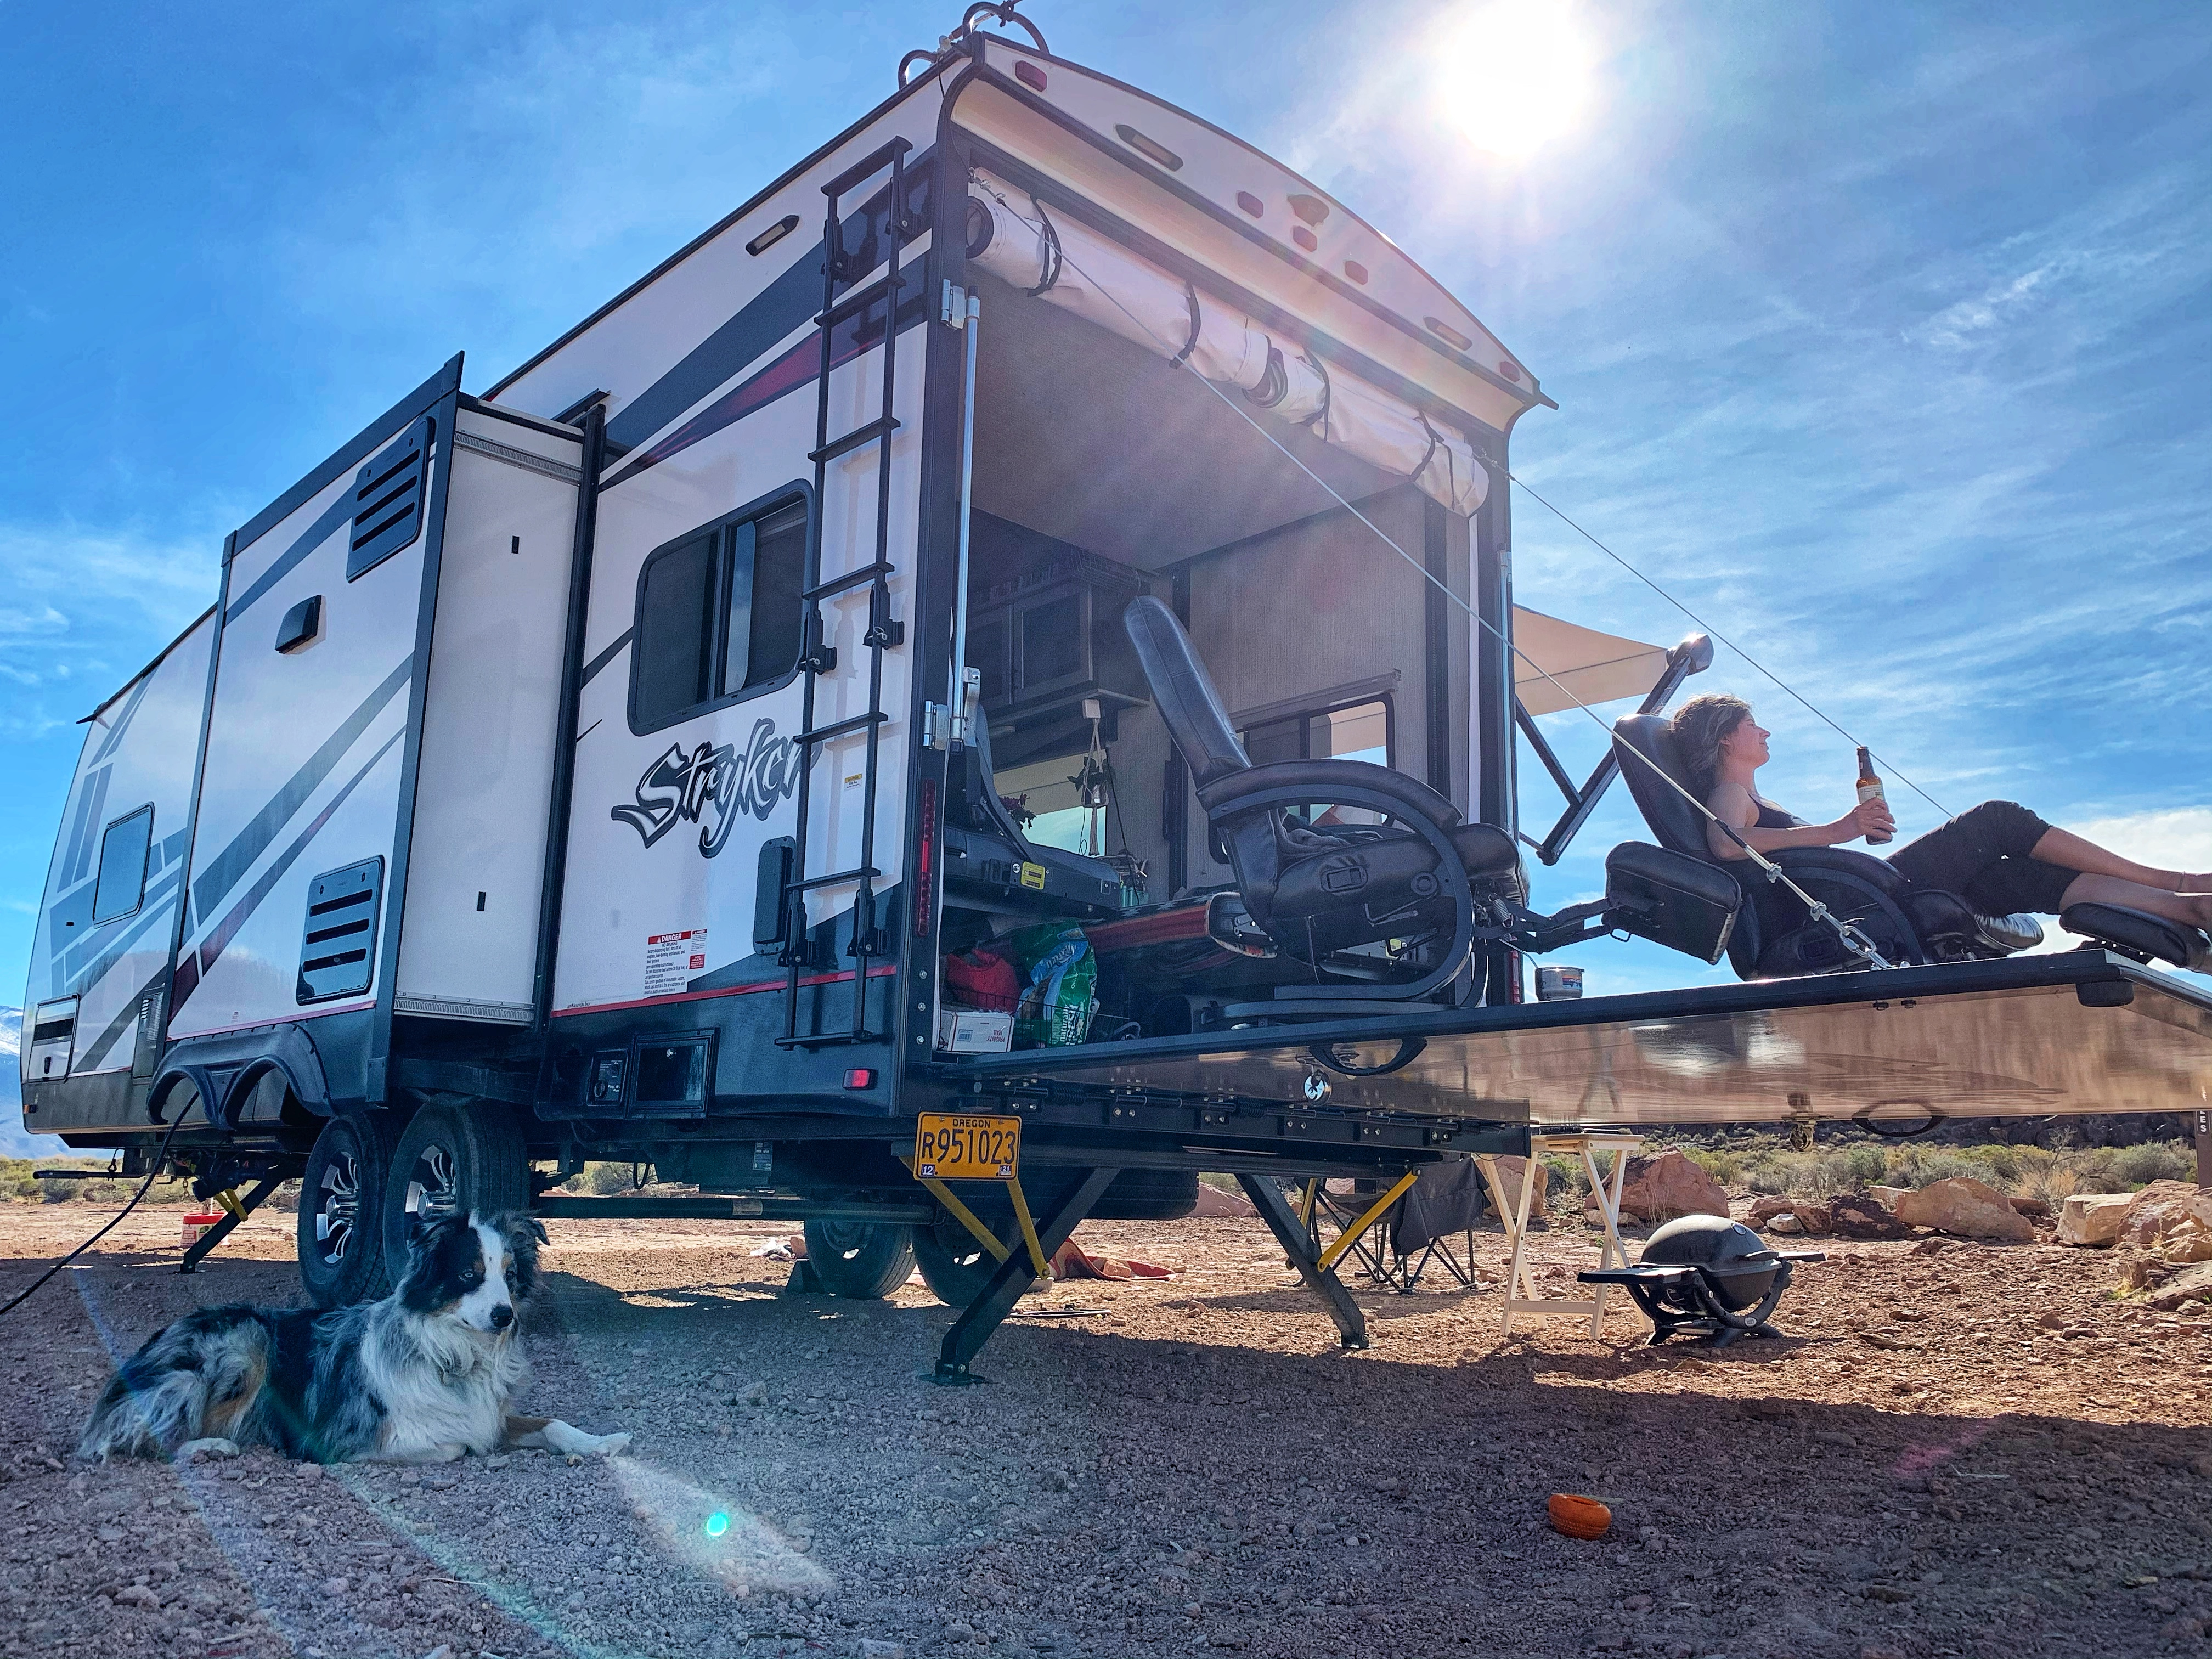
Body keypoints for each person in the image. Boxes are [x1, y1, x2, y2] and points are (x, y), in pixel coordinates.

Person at [1667, 692, 2212, 952]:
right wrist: (1840, 830)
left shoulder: (1752, 793)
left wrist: (1848, 833)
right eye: (1753, 726)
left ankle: (2185, 909)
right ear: (1724, 737)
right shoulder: (1729, 790)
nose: (1765, 734)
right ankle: (2174, 882)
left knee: (2015, 878)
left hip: (1864, 899)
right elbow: (1725, 844)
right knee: (1996, 820)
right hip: (1854, 912)